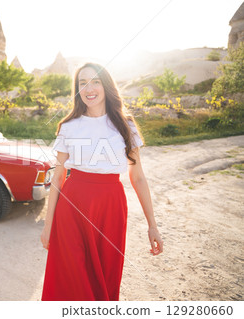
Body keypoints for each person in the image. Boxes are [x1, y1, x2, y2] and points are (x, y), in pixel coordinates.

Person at [40, 62, 163, 301]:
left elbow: (137, 176)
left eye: (95, 81)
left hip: (111, 208)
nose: (89, 88)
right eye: (82, 83)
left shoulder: (125, 125)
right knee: (72, 278)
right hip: (72, 207)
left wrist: (152, 225)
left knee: (104, 279)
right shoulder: (68, 126)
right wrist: (48, 225)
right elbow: (58, 176)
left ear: (106, 85)